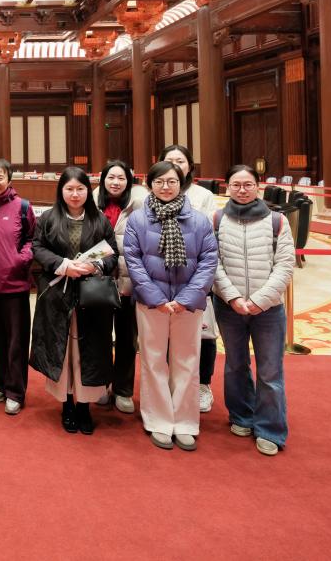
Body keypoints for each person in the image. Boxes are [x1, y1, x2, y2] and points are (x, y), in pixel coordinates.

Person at [123, 160, 218, 451]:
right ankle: (159, 420)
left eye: (172, 181)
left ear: (182, 183)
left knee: (186, 361)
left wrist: (185, 299)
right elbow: (133, 261)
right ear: (149, 184)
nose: (166, 187)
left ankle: (185, 421)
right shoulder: (138, 220)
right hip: (152, 303)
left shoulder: (199, 221)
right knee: (153, 360)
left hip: (188, 304)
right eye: (159, 181)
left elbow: (209, 261)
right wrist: (157, 298)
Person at [212, 165, 295, 456]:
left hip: (268, 309)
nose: (242, 190)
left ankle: (270, 428)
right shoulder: (217, 219)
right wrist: (233, 297)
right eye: (236, 185)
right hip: (229, 306)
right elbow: (213, 263)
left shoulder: (277, 221)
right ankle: (242, 415)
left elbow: (285, 265)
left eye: (248, 184)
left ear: (258, 186)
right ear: (227, 187)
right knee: (236, 364)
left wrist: (261, 299)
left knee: (270, 370)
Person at [30, 167, 118, 435]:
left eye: (80, 189)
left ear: (88, 191)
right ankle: (67, 405)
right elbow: (37, 248)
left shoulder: (99, 220)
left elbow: (112, 254)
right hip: (58, 296)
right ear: (61, 191)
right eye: (69, 189)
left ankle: (84, 407)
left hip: (91, 299)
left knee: (87, 353)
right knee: (65, 352)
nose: (75, 194)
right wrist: (63, 265)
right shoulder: (48, 218)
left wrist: (95, 266)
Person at [159, 143, 219, 414]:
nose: (175, 165)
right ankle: (172, 382)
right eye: (169, 160)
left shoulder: (202, 196)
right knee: (166, 335)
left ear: (190, 167)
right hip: (162, 277)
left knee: (203, 334)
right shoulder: (155, 193)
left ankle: (203, 384)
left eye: (180, 161)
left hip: (194, 276)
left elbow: (207, 236)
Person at [0, 158, 36, 415]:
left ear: (9, 180)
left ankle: (15, 391)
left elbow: (33, 239)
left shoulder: (22, 207)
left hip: (15, 285)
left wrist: (20, 259)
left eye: (0, 177)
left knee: (16, 342)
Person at [93, 160, 148, 414]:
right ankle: (102, 384)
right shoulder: (92, 202)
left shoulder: (141, 204)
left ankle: (123, 390)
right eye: (111, 177)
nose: (115, 182)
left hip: (129, 281)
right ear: (103, 179)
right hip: (99, 282)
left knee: (127, 338)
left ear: (129, 181)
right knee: (100, 336)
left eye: (121, 178)